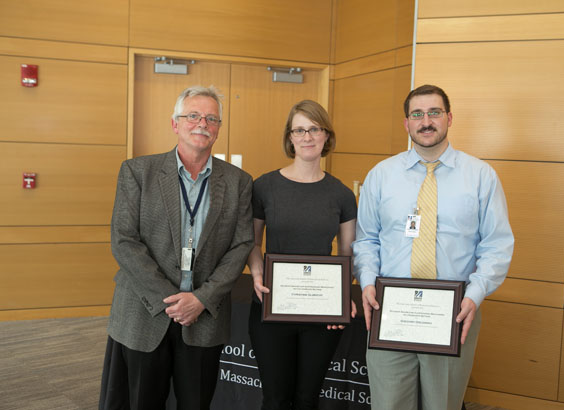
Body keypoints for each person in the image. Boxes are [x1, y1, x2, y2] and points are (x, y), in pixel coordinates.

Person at [352, 84, 514, 410]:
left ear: (449, 118)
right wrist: (367, 282)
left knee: (442, 404)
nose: (426, 121)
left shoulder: (481, 176)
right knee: (389, 404)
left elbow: (496, 245)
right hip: (391, 310)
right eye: (417, 114)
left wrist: (475, 294)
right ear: (406, 123)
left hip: (452, 312)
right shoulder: (380, 176)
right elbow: (366, 239)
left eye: (434, 113)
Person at [99, 85, 254, 410]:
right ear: (175, 124)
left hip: (204, 317)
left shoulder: (239, 181)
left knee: (196, 403)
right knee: (141, 402)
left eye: (212, 119)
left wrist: (200, 299)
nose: (203, 124)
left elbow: (241, 245)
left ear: (219, 129)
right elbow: (124, 240)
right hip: (145, 312)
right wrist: (171, 301)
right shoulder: (138, 172)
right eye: (193, 116)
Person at [247, 100, 358, 410]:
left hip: (320, 312)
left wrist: (342, 294)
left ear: (326, 136)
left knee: (308, 399)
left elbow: (348, 253)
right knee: (275, 399)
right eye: (299, 130)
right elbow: (253, 244)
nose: (307, 137)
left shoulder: (342, 195)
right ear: (290, 137)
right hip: (271, 305)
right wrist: (257, 275)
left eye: (314, 129)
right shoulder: (264, 187)